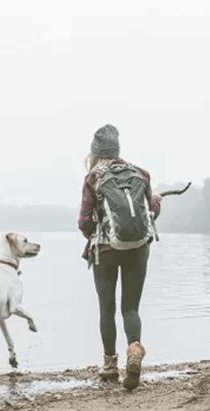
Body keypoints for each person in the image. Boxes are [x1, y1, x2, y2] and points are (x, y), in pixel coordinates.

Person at [78, 124, 162, 390]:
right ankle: (134, 350)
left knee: (107, 308)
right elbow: (151, 212)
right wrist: (157, 201)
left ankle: (110, 365)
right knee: (130, 308)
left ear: (96, 154)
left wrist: (94, 234)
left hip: (105, 250)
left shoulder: (94, 178)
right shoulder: (141, 173)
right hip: (138, 248)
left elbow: (84, 221)